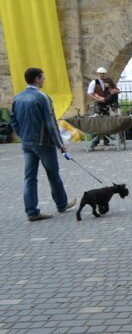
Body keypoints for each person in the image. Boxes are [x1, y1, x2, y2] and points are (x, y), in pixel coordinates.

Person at [10, 67, 76, 221]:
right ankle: (61, 204)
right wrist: (60, 144)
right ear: (37, 79)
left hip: (27, 143)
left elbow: (13, 121)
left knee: (29, 178)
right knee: (53, 174)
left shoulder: (17, 98)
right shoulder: (42, 97)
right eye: (43, 78)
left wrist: (22, 136)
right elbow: (51, 123)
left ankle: (32, 212)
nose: (44, 80)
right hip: (44, 143)